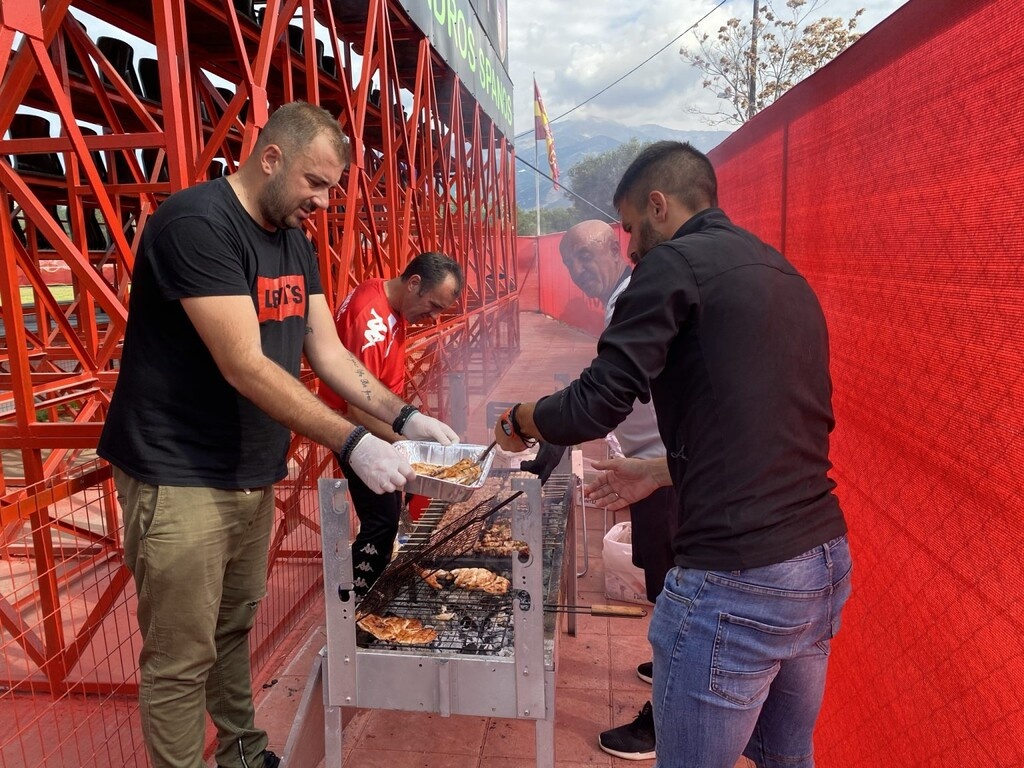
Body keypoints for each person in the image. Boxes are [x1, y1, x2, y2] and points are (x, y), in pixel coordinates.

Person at [98, 101, 459, 768]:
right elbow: (245, 364)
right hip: (179, 474)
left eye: (332, 188)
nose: (323, 201)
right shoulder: (197, 224)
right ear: (271, 159)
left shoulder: (294, 237)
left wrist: (405, 418)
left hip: (249, 472)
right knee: (180, 658)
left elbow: (327, 353)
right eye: (315, 183)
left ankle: (241, 753)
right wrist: (354, 443)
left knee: (232, 629)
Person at [494, 141, 852, 768]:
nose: (628, 248)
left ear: (658, 206)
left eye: (629, 227)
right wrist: (656, 471)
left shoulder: (672, 263)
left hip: (737, 576)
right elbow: (762, 433)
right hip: (821, 564)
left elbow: (593, 406)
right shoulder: (778, 270)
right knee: (789, 756)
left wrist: (522, 418)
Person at [558, 219, 678, 760]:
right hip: (650, 465)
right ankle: (673, 662)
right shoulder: (617, 303)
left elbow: (608, 395)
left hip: (668, 470)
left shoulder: (633, 302)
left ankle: (667, 718)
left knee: (677, 592)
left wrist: (545, 424)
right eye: (569, 263)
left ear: (615, 247)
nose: (579, 270)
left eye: (585, 256)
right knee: (664, 583)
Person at [318, 252, 464, 594]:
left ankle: (371, 588)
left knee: (388, 512)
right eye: (432, 305)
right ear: (413, 283)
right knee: (380, 522)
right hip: (359, 433)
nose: (432, 317)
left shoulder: (382, 296)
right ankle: (352, 603)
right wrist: (409, 442)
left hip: (383, 421)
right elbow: (358, 408)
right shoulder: (370, 321)